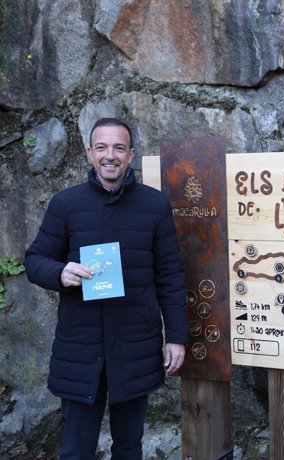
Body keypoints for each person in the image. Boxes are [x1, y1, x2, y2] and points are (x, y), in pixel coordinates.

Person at [25, 117, 188, 459]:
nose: (109, 155)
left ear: (131, 154)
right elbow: (35, 259)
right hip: (81, 349)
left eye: (118, 148)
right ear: (89, 153)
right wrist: (60, 272)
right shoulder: (66, 204)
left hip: (135, 347)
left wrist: (176, 337)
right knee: (76, 450)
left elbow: (171, 276)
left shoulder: (154, 205)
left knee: (129, 447)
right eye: (101, 147)